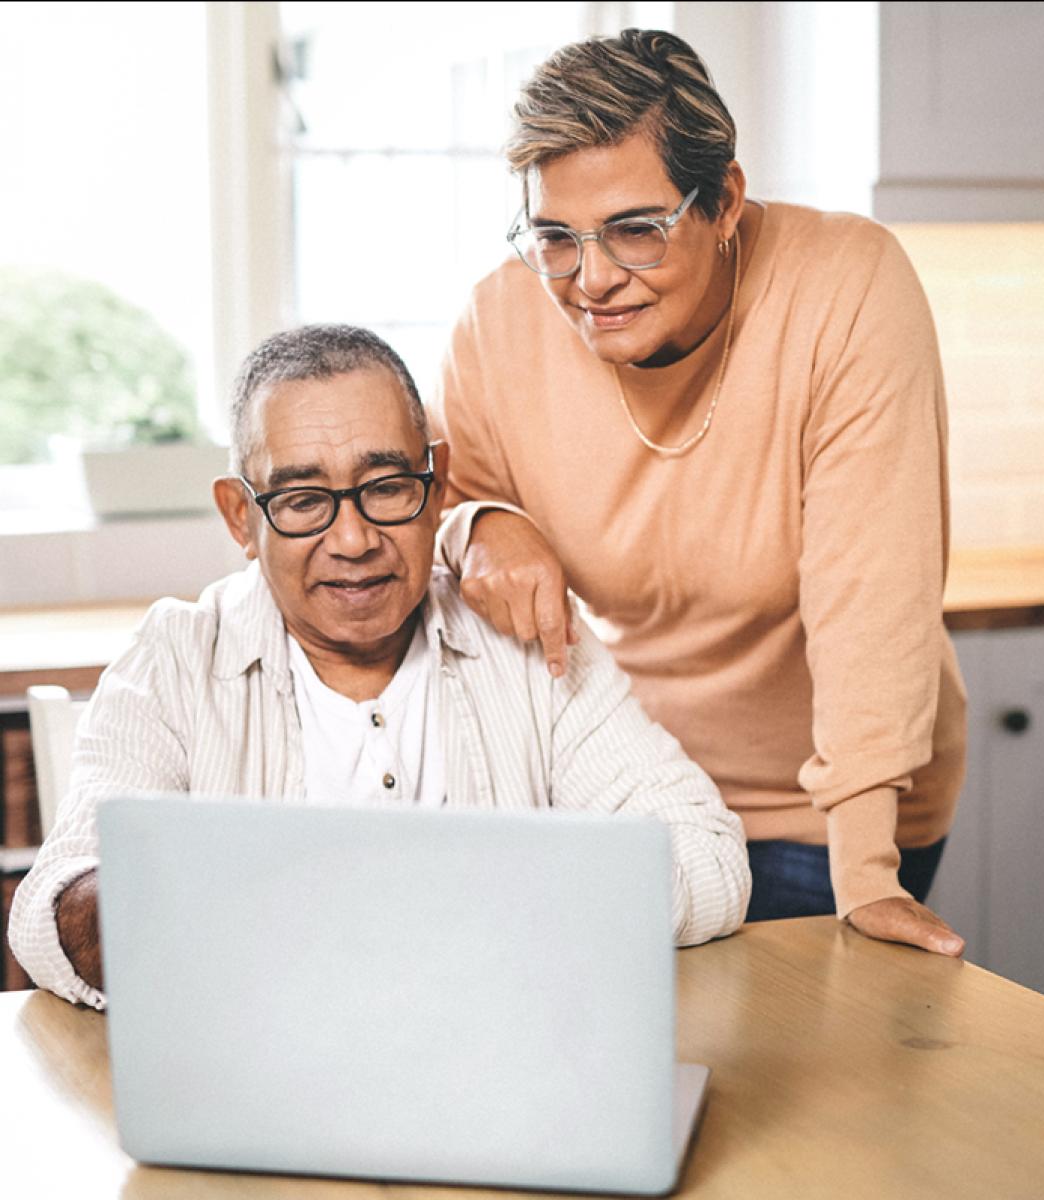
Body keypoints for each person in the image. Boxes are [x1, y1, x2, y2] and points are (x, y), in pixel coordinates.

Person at [9, 324, 751, 1010]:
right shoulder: (172, 662)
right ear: (241, 517)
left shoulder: (528, 636)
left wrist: (464, 902)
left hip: (504, 1067)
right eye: (302, 500)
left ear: (437, 487)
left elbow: (710, 863)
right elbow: (54, 913)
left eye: (387, 487)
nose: (355, 539)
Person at [433, 29, 968, 955]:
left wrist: (866, 873)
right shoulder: (498, 321)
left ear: (722, 200)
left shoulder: (845, 286)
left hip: (827, 803)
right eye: (555, 237)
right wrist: (482, 527)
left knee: (801, 1087)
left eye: (637, 229)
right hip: (636, 787)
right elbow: (448, 514)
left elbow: (871, 593)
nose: (592, 279)